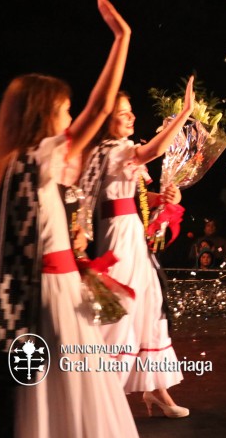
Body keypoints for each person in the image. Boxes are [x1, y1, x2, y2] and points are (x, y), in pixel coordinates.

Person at [0, 0, 138, 437]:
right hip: (51, 303)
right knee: (60, 400)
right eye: (65, 111)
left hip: (51, 294)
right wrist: (122, 39)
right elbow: (99, 108)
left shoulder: (15, 169)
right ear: (43, 116)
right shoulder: (35, 163)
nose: (71, 118)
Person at [80, 78, 195, 418]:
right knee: (120, 310)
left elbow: (135, 198)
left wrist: (164, 197)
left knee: (148, 306)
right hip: (117, 237)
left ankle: (156, 391)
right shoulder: (109, 150)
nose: (131, 117)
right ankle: (100, 398)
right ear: (106, 120)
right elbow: (153, 152)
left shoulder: (119, 149)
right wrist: (184, 114)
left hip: (131, 232)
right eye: (122, 114)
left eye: (130, 112)